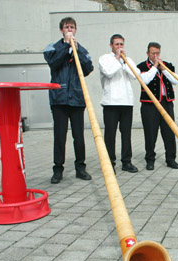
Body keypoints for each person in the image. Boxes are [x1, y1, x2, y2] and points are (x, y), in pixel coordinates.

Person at [44, 17, 94, 184]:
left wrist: (76, 50)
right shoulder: (53, 47)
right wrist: (66, 46)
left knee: (78, 136)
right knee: (59, 136)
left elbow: (88, 69)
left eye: (72, 27)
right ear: (61, 30)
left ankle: (80, 168)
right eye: (67, 27)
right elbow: (53, 63)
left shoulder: (82, 49)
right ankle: (58, 169)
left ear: (76, 29)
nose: (70, 29)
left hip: (77, 99)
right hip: (59, 99)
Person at [98, 34, 139, 173]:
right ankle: (109, 164)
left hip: (127, 102)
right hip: (111, 103)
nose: (119, 47)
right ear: (111, 45)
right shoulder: (105, 59)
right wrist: (117, 59)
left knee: (126, 134)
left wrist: (125, 61)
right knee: (110, 135)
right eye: (117, 44)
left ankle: (126, 162)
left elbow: (135, 75)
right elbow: (108, 72)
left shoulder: (127, 60)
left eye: (121, 44)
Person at [137, 42, 178, 171]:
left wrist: (163, 69)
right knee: (150, 133)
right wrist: (155, 67)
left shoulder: (167, 65)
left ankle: (171, 159)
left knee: (169, 132)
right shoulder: (141, 66)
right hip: (149, 105)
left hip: (166, 103)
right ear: (148, 54)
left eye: (157, 53)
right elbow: (144, 80)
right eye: (153, 53)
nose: (155, 55)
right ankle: (150, 160)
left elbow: (176, 80)